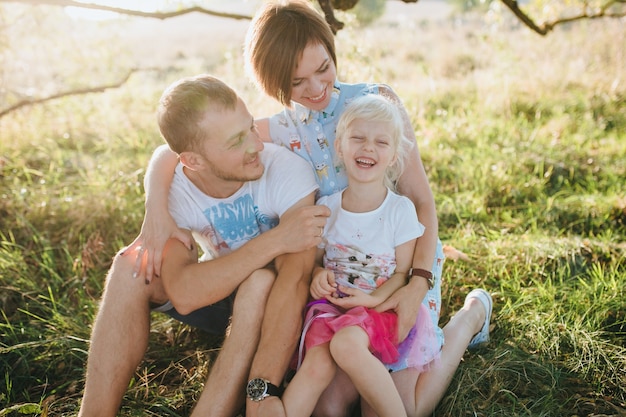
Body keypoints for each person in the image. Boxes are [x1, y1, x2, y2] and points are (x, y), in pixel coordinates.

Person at [134, 1, 493, 416]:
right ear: (274, 83)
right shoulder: (284, 129)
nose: (317, 88)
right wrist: (155, 210)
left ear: (331, 47)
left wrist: (417, 283)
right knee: (334, 406)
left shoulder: (377, 104)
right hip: (337, 282)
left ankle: (469, 319)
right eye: (297, 81)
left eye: (323, 67)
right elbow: (172, 150)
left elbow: (421, 203)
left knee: (402, 409)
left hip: (401, 267)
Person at [77, 73, 331, 417]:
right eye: (236, 141)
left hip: (282, 306)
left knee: (258, 283)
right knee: (130, 268)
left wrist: (263, 387)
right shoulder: (177, 190)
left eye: (250, 128)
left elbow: (295, 278)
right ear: (192, 161)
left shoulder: (285, 171)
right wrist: (275, 240)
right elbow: (183, 293)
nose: (256, 145)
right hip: (220, 295)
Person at [278, 95, 442, 417]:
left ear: (394, 155)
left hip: (378, 310)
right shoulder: (328, 207)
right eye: (358, 138)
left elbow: (400, 276)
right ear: (339, 147)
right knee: (323, 400)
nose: (368, 148)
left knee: (346, 346)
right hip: (331, 310)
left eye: (381, 142)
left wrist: (371, 302)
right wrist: (317, 276)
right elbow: (316, 262)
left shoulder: (400, 210)